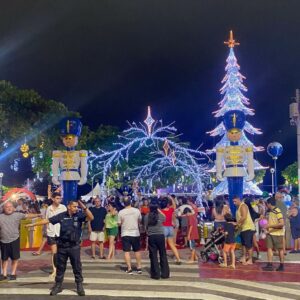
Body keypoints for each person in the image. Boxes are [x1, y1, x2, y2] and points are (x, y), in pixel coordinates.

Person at [26, 200, 94, 296]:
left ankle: (79, 285)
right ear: (69, 206)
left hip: (74, 246)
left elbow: (91, 217)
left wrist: (84, 207)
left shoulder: (79, 215)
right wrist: (33, 224)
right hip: (62, 246)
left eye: (77, 206)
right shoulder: (62, 215)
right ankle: (58, 286)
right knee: (60, 267)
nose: (76, 208)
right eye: (74, 206)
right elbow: (48, 220)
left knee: (77, 267)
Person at [0, 201, 41, 281]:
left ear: (13, 208)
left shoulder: (17, 215)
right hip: (3, 240)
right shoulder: (0, 217)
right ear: (3, 208)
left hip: (15, 239)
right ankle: (3, 274)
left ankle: (13, 273)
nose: (9, 208)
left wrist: (38, 215)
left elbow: (28, 216)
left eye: (10, 206)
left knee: (15, 258)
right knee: (4, 259)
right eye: (6, 207)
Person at [145, 199, 169, 280]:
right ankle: (165, 273)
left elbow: (145, 227)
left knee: (153, 255)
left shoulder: (147, 216)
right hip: (160, 236)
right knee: (163, 254)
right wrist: (159, 210)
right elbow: (165, 218)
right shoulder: (160, 216)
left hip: (152, 236)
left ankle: (156, 274)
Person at [118, 197, 142, 274]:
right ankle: (139, 267)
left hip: (125, 233)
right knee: (137, 250)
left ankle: (129, 268)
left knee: (126, 251)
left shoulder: (121, 212)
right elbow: (139, 220)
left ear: (123, 203)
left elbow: (119, 223)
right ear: (130, 202)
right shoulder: (137, 211)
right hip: (135, 233)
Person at [45, 192, 67, 278]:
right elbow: (46, 220)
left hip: (61, 232)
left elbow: (66, 219)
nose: (59, 200)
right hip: (51, 233)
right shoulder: (49, 208)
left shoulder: (63, 207)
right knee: (54, 252)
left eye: (60, 198)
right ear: (53, 199)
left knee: (60, 252)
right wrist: (48, 229)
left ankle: (61, 268)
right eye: (57, 198)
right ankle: (55, 270)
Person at [262, 197, 285, 271]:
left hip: (277, 233)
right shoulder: (270, 211)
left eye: (267, 204)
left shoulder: (277, 211)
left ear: (269, 204)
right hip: (270, 233)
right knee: (269, 248)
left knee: (280, 249)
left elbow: (281, 223)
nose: (266, 205)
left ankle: (281, 265)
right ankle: (270, 264)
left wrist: (269, 226)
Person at [233, 195, 255, 265]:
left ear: (239, 200)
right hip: (242, 228)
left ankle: (250, 259)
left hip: (248, 228)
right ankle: (244, 257)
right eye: (233, 201)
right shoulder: (238, 207)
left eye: (235, 201)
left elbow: (244, 217)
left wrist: (236, 223)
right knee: (243, 244)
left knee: (248, 245)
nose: (234, 203)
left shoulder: (243, 206)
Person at [160, 196, 181, 264]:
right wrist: (170, 197)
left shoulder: (161, 211)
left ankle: (163, 258)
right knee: (172, 244)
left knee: (163, 245)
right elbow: (174, 205)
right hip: (170, 228)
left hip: (164, 228)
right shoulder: (171, 210)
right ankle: (178, 259)